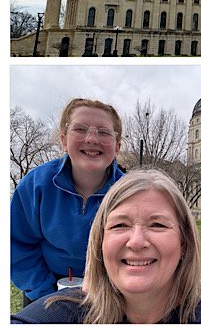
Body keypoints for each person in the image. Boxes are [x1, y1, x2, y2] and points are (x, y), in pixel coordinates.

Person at [11, 168, 201, 324]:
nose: (137, 241)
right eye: (120, 225)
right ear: (100, 242)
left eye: (158, 225)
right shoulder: (64, 312)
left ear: (184, 242)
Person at [11, 98, 125, 304]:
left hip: (111, 293)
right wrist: (46, 294)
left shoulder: (130, 193)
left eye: (104, 132)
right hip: (44, 289)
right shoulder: (36, 184)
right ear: (64, 140)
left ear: (117, 147)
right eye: (80, 129)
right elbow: (17, 245)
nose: (91, 138)